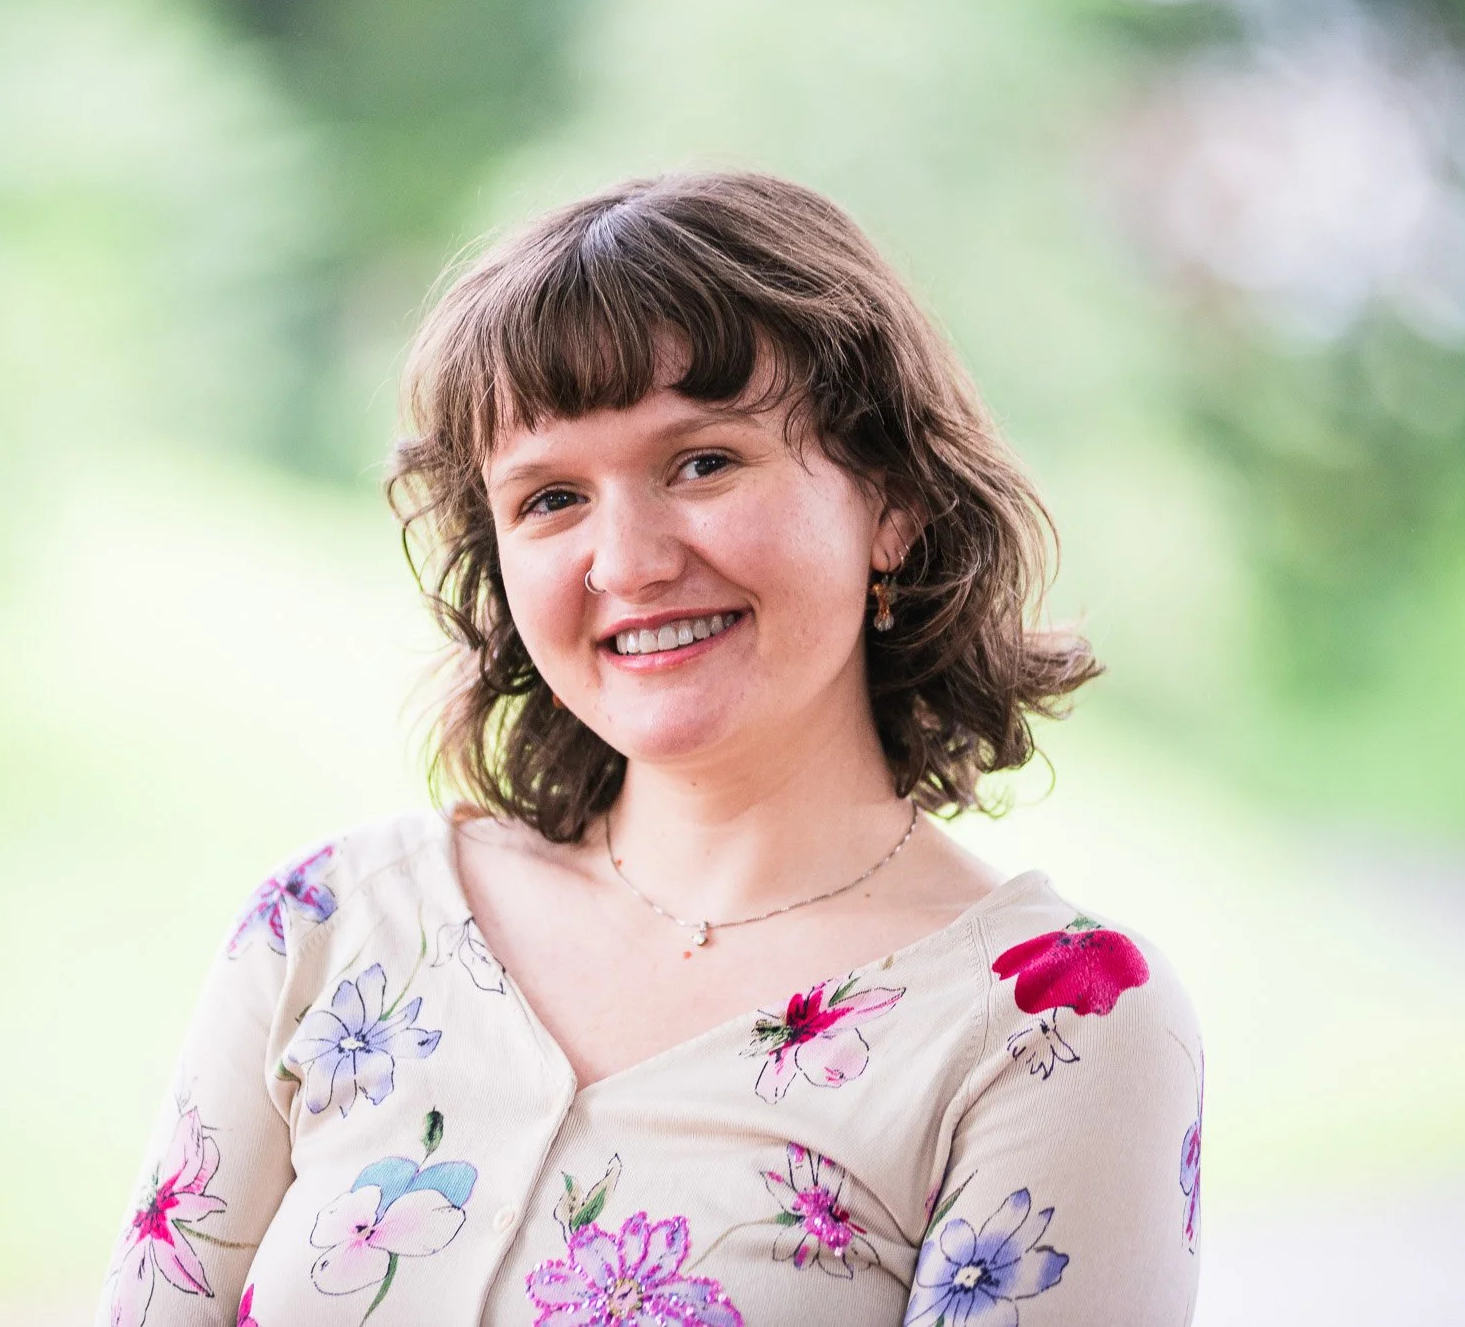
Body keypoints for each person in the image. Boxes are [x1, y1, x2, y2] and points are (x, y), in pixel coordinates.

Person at [97, 170, 1202, 1327]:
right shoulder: (328, 927)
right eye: (550, 497)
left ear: (893, 500)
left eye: (702, 462)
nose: (624, 563)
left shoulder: (1049, 1030)